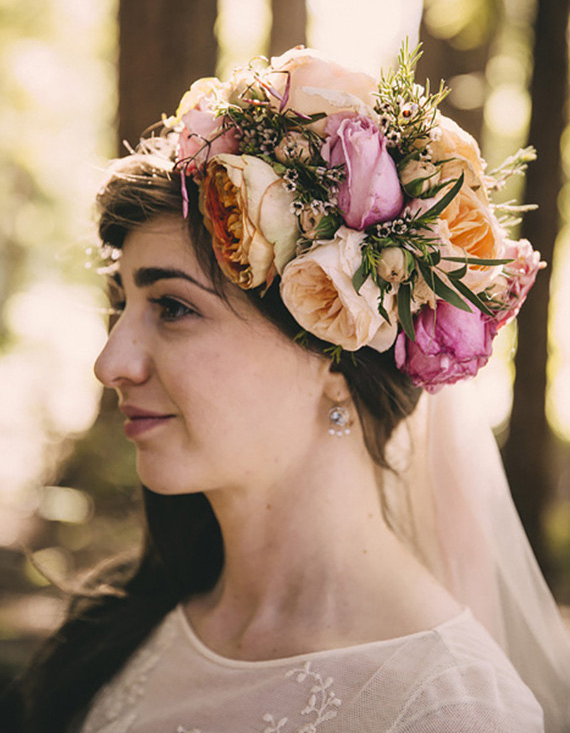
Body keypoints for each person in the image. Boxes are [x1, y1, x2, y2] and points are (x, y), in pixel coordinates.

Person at [10, 45, 570, 732]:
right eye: (121, 304)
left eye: (174, 309)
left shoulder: (450, 708)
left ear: (337, 352)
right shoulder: (116, 635)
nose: (112, 362)